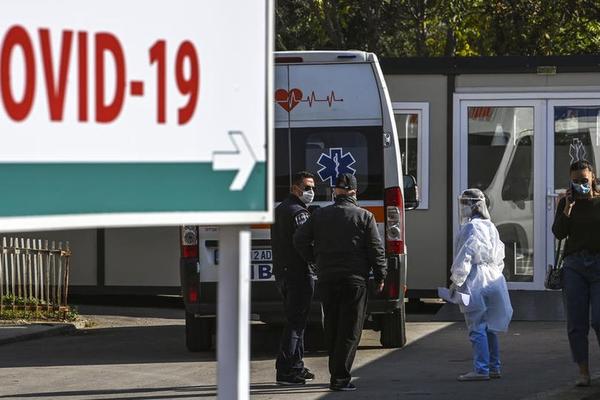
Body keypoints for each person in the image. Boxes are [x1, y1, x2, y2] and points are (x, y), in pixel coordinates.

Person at [294, 173, 386, 392]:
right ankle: (340, 378)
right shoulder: (365, 217)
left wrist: (313, 260)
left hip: (327, 279)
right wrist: (381, 275)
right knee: (350, 330)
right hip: (355, 280)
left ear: (336, 191)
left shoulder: (319, 215)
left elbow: (299, 239)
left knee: (333, 326)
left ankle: (336, 373)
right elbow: (376, 249)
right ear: (354, 192)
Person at [450, 188, 513, 382]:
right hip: (493, 277)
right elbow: (500, 254)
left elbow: (465, 255)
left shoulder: (470, 227)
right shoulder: (490, 226)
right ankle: (494, 366)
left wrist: (456, 280)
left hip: (475, 279)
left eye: (465, 204)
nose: (463, 208)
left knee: (476, 325)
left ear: (473, 205)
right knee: (490, 326)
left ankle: (481, 369)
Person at [552, 160, 600, 387]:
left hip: (598, 264)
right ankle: (583, 372)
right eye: (576, 181)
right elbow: (559, 233)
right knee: (576, 323)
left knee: (599, 320)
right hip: (574, 266)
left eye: (584, 180)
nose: (581, 184)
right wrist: (567, 208)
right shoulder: (566, 202)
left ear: (592, 178)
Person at [270, 171, 317, 385]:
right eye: (307, 187)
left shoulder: (280, 209)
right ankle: (286, 371)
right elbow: (304, 243)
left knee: (295, 320)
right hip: (299, 273)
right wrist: (314, 262)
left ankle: (296, 365)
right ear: (294, 188)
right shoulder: (299, 213)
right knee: (296, 323)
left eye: (313, 188)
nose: (311, 192)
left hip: (283, 273)